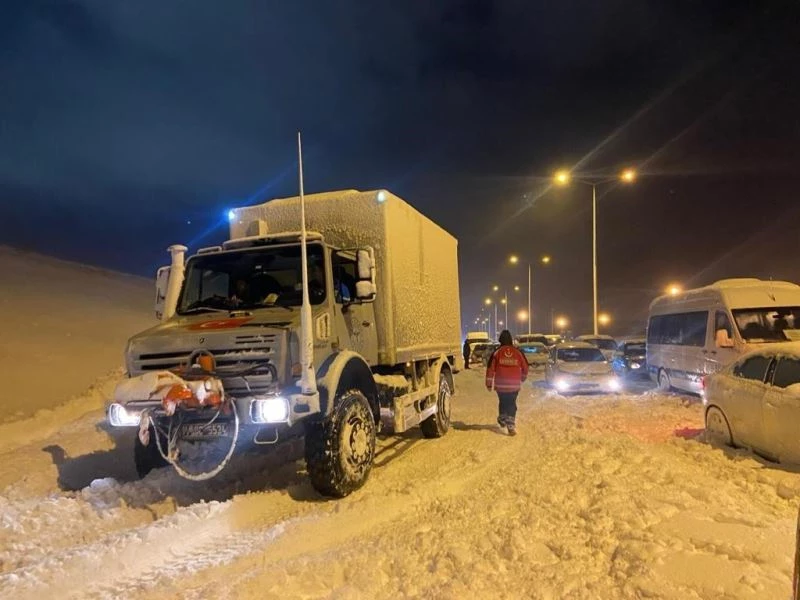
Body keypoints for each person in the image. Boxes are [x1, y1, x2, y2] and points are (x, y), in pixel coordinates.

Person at [485, 330, 528, 436]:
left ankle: (502, 418)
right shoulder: (517, 352)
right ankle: (510, 425)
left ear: (500, 340)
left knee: (503, 402)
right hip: (514, 385)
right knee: (512, 404)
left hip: (501, 386)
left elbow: (491, 368)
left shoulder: (497, 352)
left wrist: (489, 383)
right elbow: (525, 366)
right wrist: (522, 378)